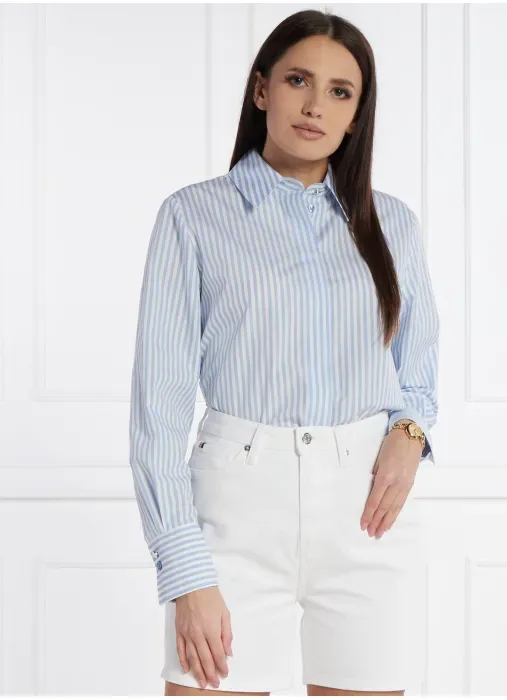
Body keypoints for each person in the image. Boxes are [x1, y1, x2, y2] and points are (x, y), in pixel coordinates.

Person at [129, 8, 439, 697]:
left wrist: (410, 433)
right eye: (298, 80)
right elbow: (159, 410)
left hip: (366, 516)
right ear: (261, 89)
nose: (315, 105)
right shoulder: (193, 217)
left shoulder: (393, 224)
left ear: (356, 116)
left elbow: (417, 371)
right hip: (236, 509)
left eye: (339, 91)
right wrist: (185, 570)